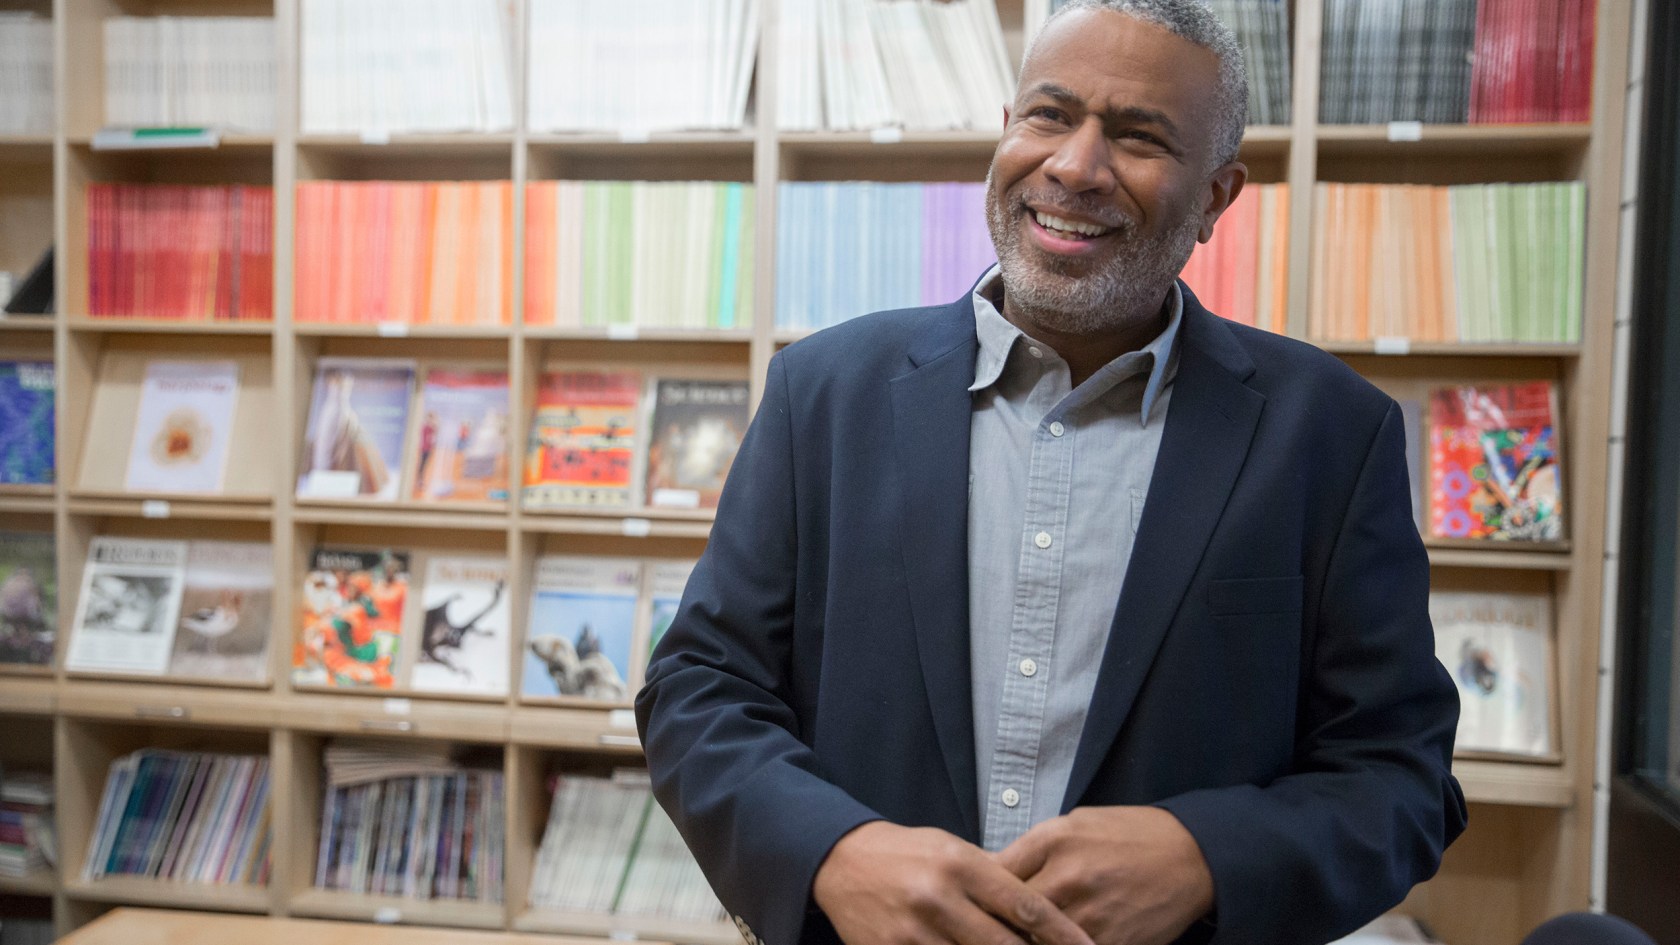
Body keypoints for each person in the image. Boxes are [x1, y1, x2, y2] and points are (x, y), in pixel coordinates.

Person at [636, 2, 1467, 944]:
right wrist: (831, 850)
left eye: (1140, 136)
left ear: (1215, 200)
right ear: (1005, 131)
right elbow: (697, 689)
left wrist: (1209, 854)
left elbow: (1401, 776)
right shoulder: (821, 393)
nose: (1075, 165)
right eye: (1048, 115)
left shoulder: (1331, 433)